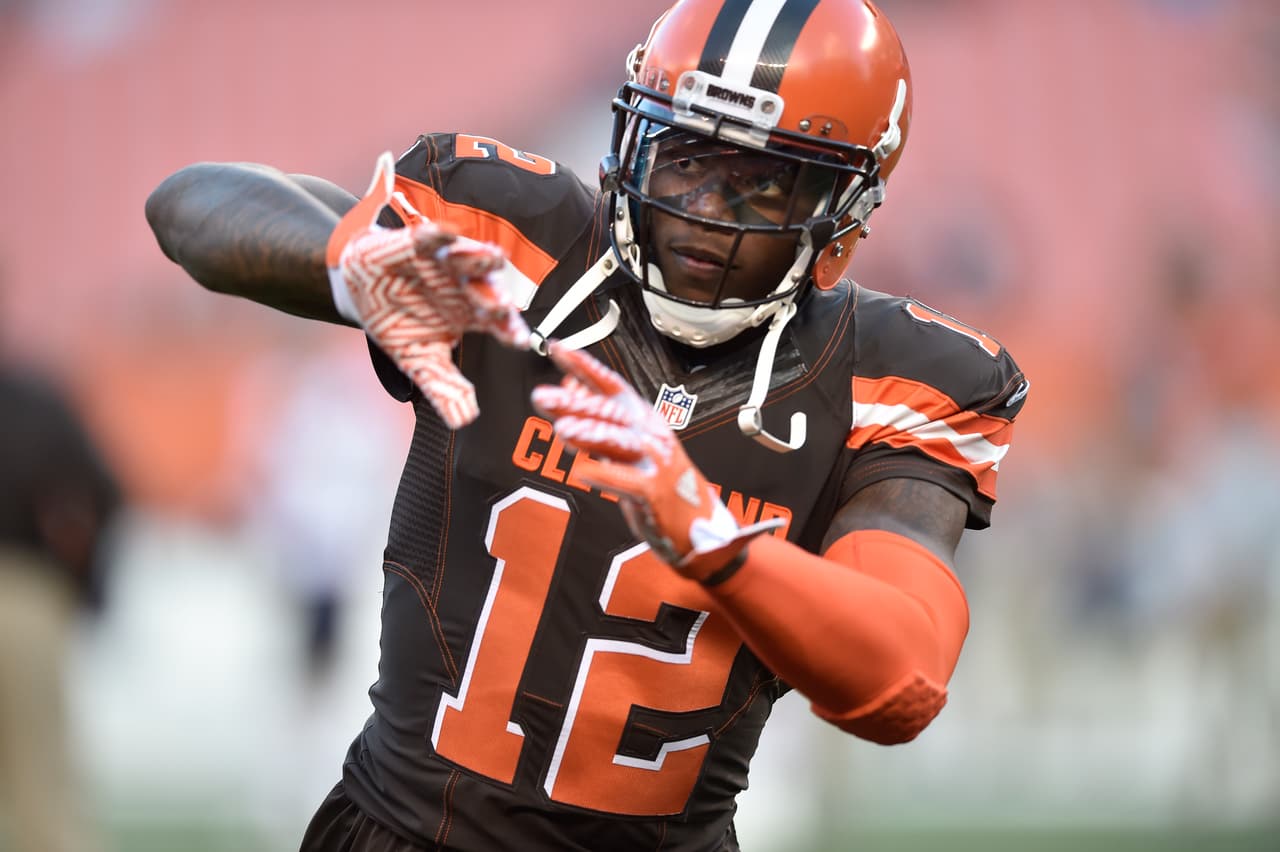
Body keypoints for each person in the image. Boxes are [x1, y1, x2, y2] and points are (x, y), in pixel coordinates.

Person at [145, 1, 1027, 849]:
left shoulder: (896, 380)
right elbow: (190, 206)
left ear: (842, 213)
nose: (705, 213)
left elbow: (900, 681)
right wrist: (359, 269)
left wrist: (711, 540)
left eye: (760, 183)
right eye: (684, 156)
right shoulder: (511, 242)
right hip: (403, 833)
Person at [0, 362, 122, 852]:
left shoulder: (33, 402)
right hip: (26, 600)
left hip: (26, 592)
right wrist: (88, 588)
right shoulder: (34, 404)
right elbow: (102, 496)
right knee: (43, 794)